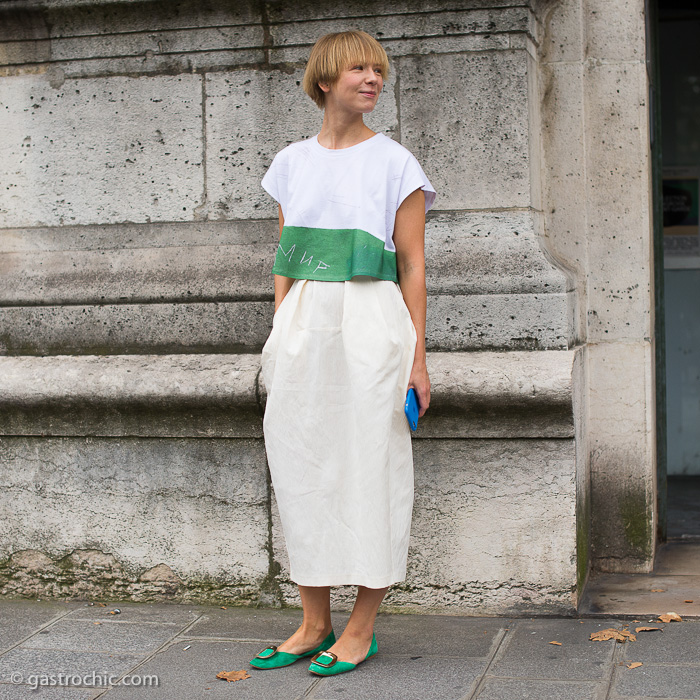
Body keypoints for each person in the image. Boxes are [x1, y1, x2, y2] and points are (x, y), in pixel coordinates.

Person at [250, 29, 436, 677]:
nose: (373, 79)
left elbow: (412, 263)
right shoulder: (291, 163)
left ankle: (361, 627)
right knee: (302, 462)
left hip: (370, 323)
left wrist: (416, 356)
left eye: (379, 70)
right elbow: (285, 257)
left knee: (371, 466)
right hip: (304, 325)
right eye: (359, 68)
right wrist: (280, 327)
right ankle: (312, 621)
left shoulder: (395, 164)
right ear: (325, 79)